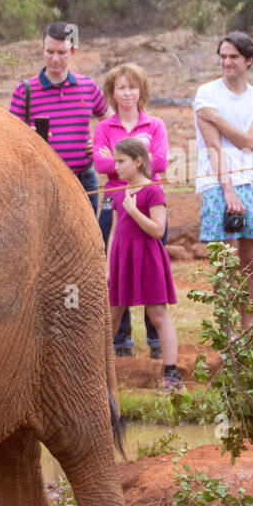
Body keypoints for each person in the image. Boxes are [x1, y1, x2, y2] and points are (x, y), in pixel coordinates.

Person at [193, 31, 253, 327]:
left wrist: (218, 119)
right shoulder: (206, 93)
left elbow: (250, 142)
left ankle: (249, 331)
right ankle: (226, 334)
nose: (226, 62)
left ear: (249, 61)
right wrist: (228, 191)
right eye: (223, 56)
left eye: (234, 57)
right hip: (218, 184)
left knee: (251, 264)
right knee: (225, 265)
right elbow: (214, 147)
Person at [94, 63, 170, 358]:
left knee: (152, 267)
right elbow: (99, 165)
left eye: (132, 87)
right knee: (117, 269)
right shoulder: (104, 127)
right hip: (115, 204)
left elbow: (162, 162)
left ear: (141, 91)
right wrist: (142, 156)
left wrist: (121, 159)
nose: (127, 93)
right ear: (112, 94)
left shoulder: (155, 125)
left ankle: (156, 340)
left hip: (150, 202)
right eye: (121, 87)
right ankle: (121, 341)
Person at [9, 20, 108, 213]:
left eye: (61, 53)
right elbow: (8, 138)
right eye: (50, 51)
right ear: (42, 49)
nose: (55, 58)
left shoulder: (88, 86)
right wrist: (28, 137)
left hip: (83, 180)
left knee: (86, 241)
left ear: (72, 52)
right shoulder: (24, 91)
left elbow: (111, 121)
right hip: (41, 182)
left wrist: (100, 142)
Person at [107, 138, 180, 393]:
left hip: (147, 256)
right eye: (115, 161)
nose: (116, 166)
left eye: (121, 161)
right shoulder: (117, 193)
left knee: (158, 314)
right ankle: (102, 372)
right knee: (113, 315)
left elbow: (158, 230)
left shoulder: (153, 190)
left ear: (138, 162)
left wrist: (134, 209)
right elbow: (114, 233)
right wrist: (108, 265)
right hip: (122, 258)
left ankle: (172, 373)